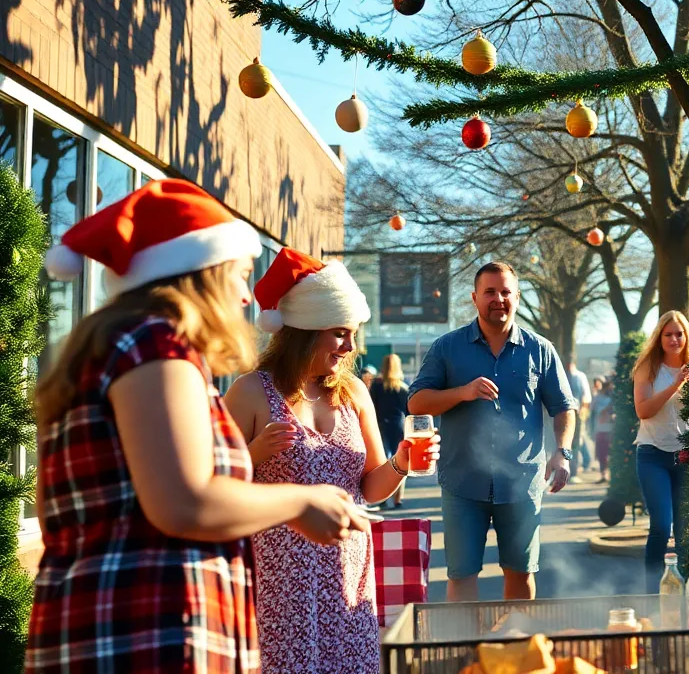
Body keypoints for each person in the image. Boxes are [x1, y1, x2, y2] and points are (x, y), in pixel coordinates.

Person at [26, 180, 367, 673]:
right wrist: (302, 500)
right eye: (240, 275)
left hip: (111, 630)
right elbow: (185, 501)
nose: (246, 299)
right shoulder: (155, 346)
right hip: (149, 635)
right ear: (201, 273)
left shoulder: (117, 348)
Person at [224, 248, 439, 672]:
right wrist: (254, 453)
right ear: (306, 329)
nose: (351, 345)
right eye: (341, 332)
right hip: (278, 577)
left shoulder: (354, 392)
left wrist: (401, 463)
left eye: (353, 332)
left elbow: (370, 488)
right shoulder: (250, 391)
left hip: (349, 568)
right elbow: (213, 485)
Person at [409, 261, 577, 602]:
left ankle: (516, 648)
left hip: (522, 483)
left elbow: (564, 408)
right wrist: (463, 392)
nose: (498, 298)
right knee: (461, 574)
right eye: (490, 292)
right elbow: (417, 402)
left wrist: (562, 451)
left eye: (505, 292)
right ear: (475, 298)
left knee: (520, 572)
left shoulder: (540, 350)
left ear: (516, 297)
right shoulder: (447, 347)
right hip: (462, 482)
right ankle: (465, 652)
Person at [633, 310, 689, 593]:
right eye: (668, 334)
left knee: (685, 530)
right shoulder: (648, 367)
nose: (674, 339)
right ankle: (650, 592)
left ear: (686, 336)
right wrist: (675, 384)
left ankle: (683, 589)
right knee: (661, 525)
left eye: (679, 334)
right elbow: (643, 410)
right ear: (659, 338)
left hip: (687, 456)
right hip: (652, 453)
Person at [372, 353, 412, 508]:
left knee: (383, 462)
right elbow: (409, 410)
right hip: (399, 425)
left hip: (381, 425)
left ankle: (382, 498)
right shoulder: (404, 387)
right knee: (400, 461)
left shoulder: (376, 385)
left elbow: (372, 407)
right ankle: (398, 498)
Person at [567, 360, 592, 482]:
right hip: (564, 413)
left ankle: (574, 471)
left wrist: (582, 413)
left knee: (577, 442)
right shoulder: (563, 375)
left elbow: (586, 397)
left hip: (577, 413)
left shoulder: (580, 376)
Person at [592, 377, 614, 483]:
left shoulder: (613, 398)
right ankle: (603, 474)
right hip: (600, 429)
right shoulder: (597, 397)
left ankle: (609, 475)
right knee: (601, 454)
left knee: (610, 453)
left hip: (610, 429)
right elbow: (595, 411)